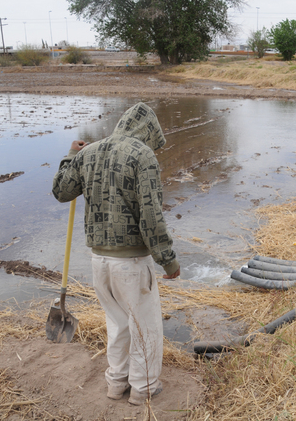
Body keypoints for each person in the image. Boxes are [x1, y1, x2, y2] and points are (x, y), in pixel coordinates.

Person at [52, 102, 180, 405]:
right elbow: (151, 215)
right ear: (147, 131)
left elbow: (61, 191)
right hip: (132, 262)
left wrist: (70, 155)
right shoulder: (142, 155)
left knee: (117, 324)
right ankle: (144, 388)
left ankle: (116, 383)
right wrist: (168, 260)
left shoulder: (89, 152)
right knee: (145, 327)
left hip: (99, 261)